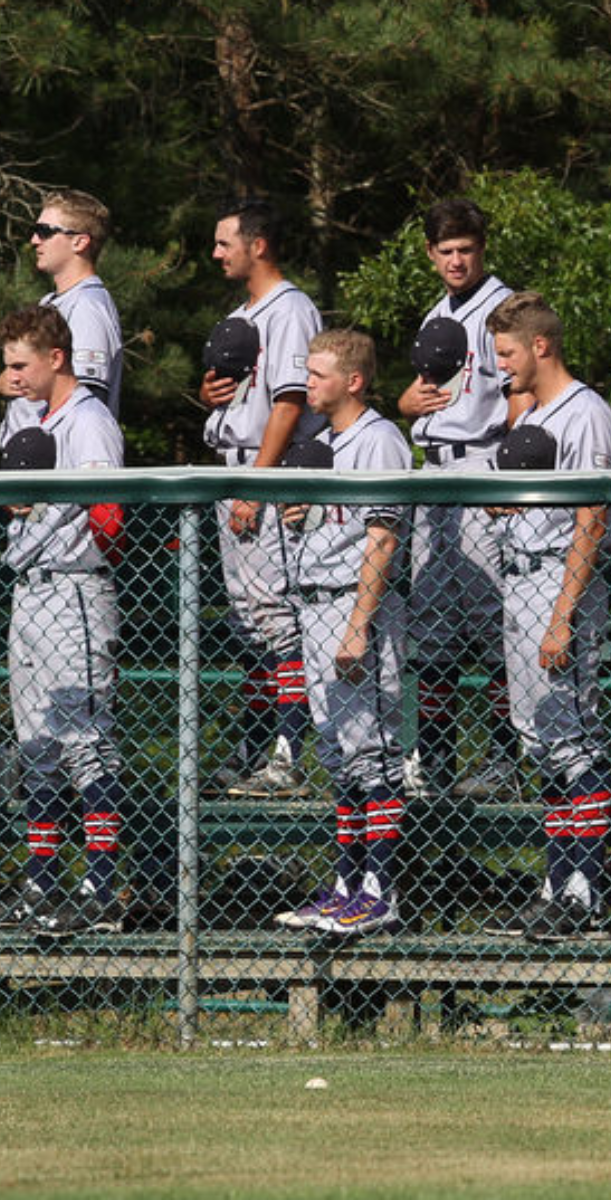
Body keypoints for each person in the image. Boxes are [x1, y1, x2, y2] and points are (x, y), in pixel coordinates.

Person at [0, 306, 131, 937]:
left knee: (84, 741)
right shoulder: (35, 418)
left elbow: (110, 515)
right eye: (7, 364)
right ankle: (40, 886)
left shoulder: (87, 419)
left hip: (74, 587)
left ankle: (101, 888)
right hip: (28, 588)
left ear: (56, 358)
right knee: (36, 746)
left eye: (21, 364)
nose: (11, 376)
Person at [477, 292, 611, 942]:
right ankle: (555, 883)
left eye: (506, 351)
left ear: (540, 346)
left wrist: (563, 615)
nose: (499, 364)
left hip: (559, 586)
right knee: (544, 745)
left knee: (573, 739)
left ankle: (583, 891)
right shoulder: (533, 412)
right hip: (521, 579)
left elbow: (592, 516)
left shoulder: (585, 412)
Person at [273, 330, 412, 937]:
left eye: (320, 374)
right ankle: (346, 884)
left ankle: (380, 890)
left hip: (358, 610)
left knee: (371, 751)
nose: (310, 383)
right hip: (314, 605)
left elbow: (382, 536)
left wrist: (358, 626)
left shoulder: (378, 439)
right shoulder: (321, 443)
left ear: (353, 381)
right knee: (339, 756)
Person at [395, 198, 523, 802]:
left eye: (465, 248)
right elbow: (420, 395)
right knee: (433, 624)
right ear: (430, 254)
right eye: (444, 250)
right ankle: (437, 759)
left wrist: (509, 469)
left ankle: (504, 756)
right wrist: (405, 406)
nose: (455, 260)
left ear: (482, 247)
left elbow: (520, 391)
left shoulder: (505, 307)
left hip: (483, 464)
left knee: (492, 619)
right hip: (434, 471)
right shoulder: (434, 313)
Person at [199, 198, 325, 798]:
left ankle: (288, 754)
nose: (217, 253)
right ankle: (255, 749)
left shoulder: (290, 309)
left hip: (263, 476)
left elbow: (289, 402)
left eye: (226, 242)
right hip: (236, 471)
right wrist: (212, 393)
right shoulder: (243, 311)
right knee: (250, 625)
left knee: (278, 620)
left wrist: (258, 482)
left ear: (260, 245)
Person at [32, 189, 124, 418]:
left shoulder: (87, 308)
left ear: (79, 242)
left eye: (44, 232)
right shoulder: (51, 302)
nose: (34, 240)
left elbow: (86, 402)